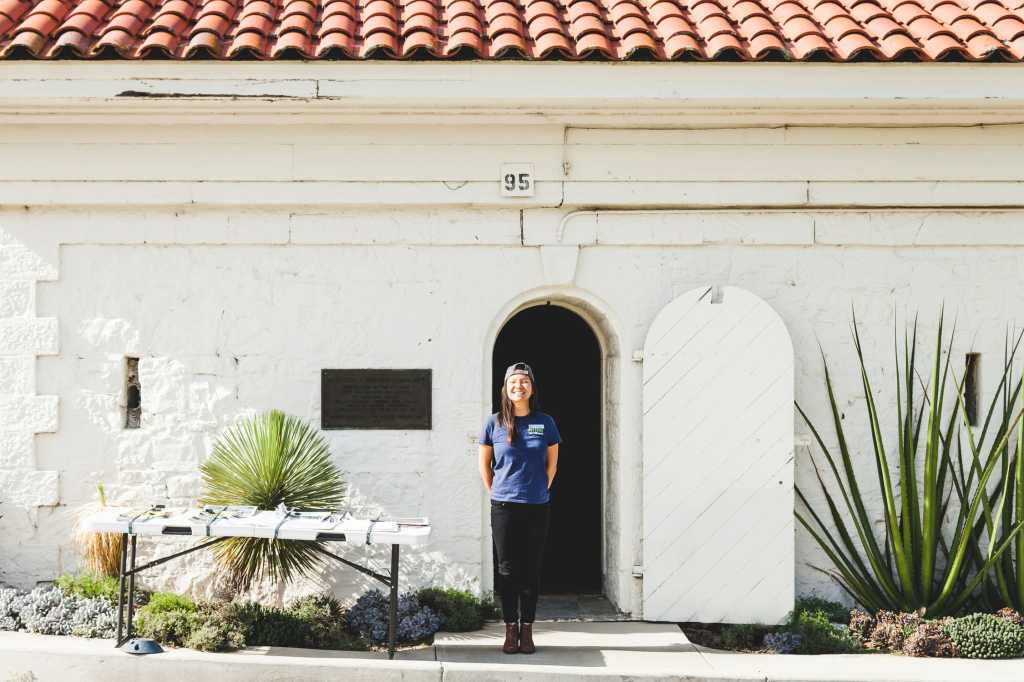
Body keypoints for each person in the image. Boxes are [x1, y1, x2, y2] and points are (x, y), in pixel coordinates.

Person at [478, 361, 561, 654]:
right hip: (504, 506)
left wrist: (537, 490)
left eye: (524, 381)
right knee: (507, 569)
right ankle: (509, 629)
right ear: (505, 388)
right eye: (514, 382)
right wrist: (500, 492)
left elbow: (551, 466)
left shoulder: (545, 422)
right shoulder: (494, 423)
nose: (519, 386)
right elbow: (485, 466)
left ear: (532, 388)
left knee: (531, 569)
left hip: (537, 506)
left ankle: (527, 629)